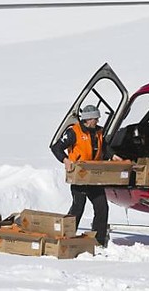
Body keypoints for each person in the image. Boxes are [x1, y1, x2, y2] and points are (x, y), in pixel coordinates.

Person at [50, 104, 110, 246]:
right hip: (79, 177)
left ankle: (99, 241)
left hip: (94, 178)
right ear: (87, 120)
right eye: (95, 118)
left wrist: (114, 157)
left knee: (102, 207)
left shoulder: (99, 132)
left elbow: (105, 148)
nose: (97, 121)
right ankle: (68, 238)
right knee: (78, 207)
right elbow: (56, 147)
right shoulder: (74, 132)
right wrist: (65, 160)